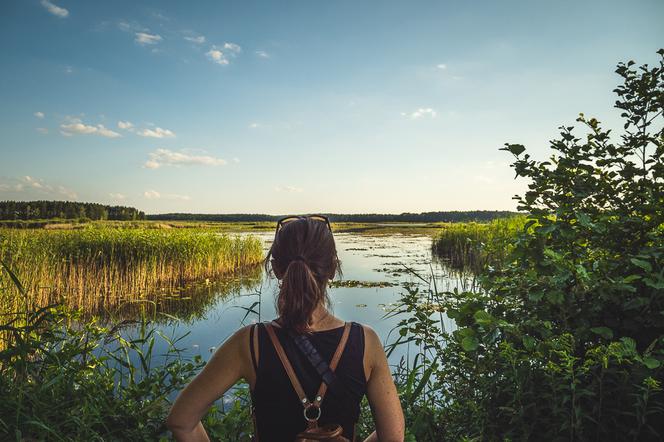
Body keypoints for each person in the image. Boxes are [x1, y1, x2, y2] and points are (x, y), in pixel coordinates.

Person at [166, 215, 405, 441]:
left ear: (277, 269)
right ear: (333, 268)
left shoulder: (250, 343)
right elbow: (393, 436)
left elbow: (181, 420)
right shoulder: (365, 341)